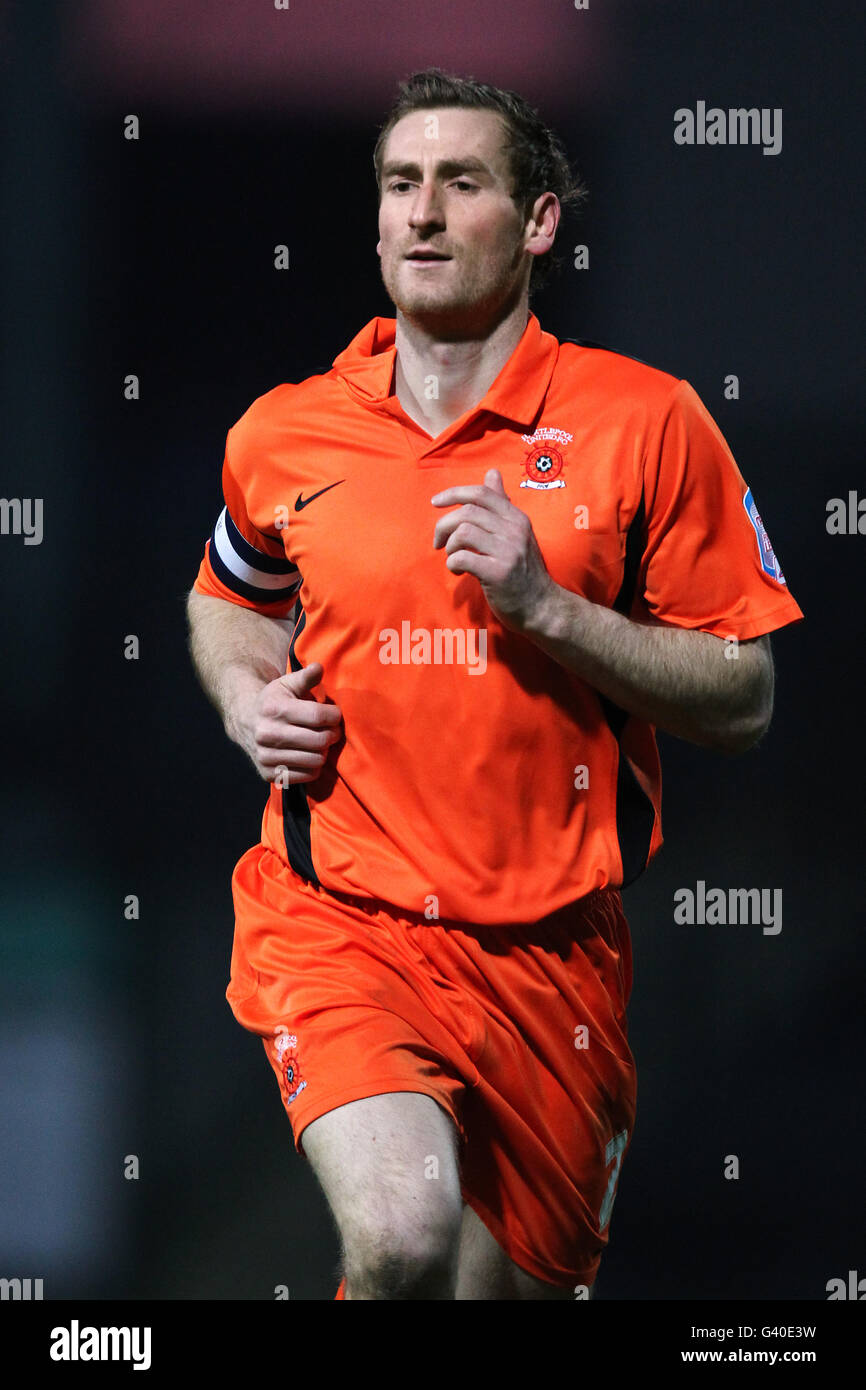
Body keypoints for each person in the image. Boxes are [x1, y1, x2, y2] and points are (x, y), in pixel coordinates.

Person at [186, 68, 803, 1300]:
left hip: (554, 963)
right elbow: (224, 596)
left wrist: (548, 609)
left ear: (535, 225)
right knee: (401, 1237)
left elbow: (742, 695)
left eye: (459, 183)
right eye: (398, 184)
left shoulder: (649, 422)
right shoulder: (286, 432)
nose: (419, 212)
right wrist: (247, 696)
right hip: (341, 921)